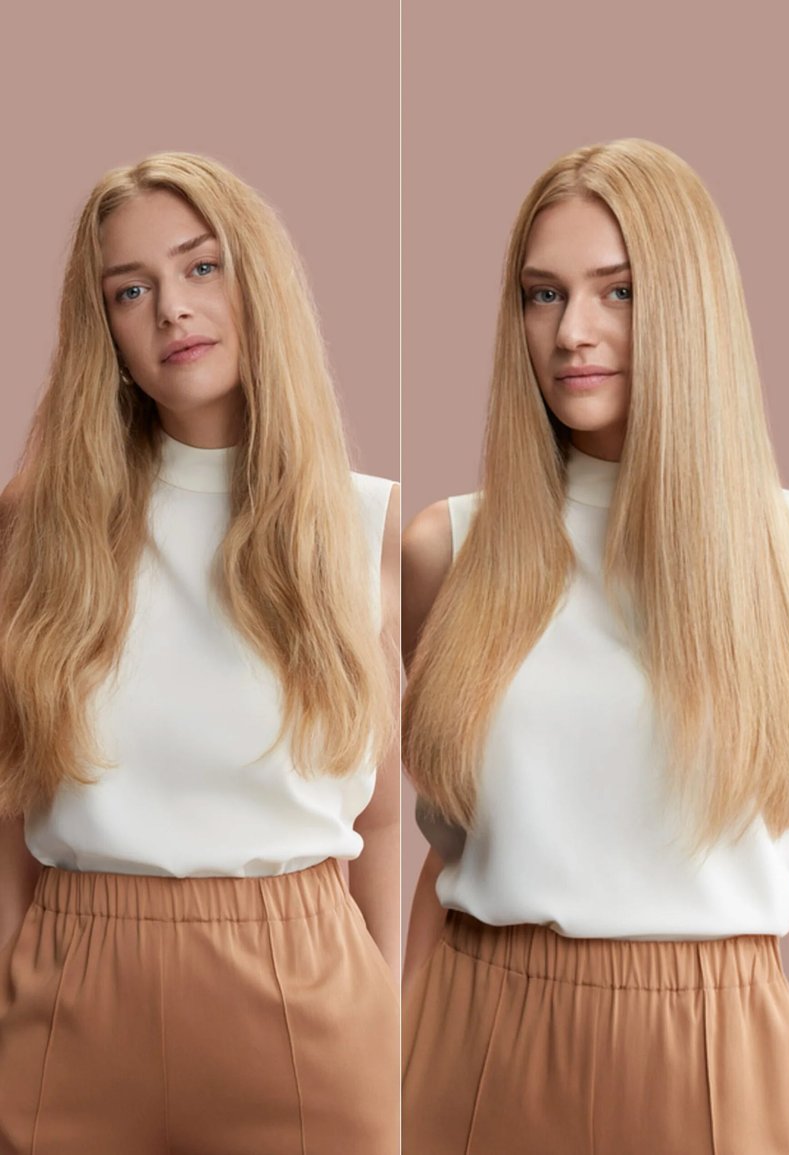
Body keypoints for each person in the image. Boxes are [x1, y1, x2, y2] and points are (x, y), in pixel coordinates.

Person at [401, 138, 789, 1155]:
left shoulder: (786, 552)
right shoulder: (450, 549)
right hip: (474, 1027)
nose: (570, 332)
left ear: (688, 306)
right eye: (541, 296)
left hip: (713, 1043)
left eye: (615, 292)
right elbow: (443, 847)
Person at [0, 152, 400, 1154]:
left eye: (201, 268)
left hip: (305, 989)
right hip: (73, 990)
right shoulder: (35, 527)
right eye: (129, 291)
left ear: (254, 278)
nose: (170, 309)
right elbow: (8, 801)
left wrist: (386, 1011)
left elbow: (386, 817)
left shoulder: (368, 524)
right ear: (106, 332)